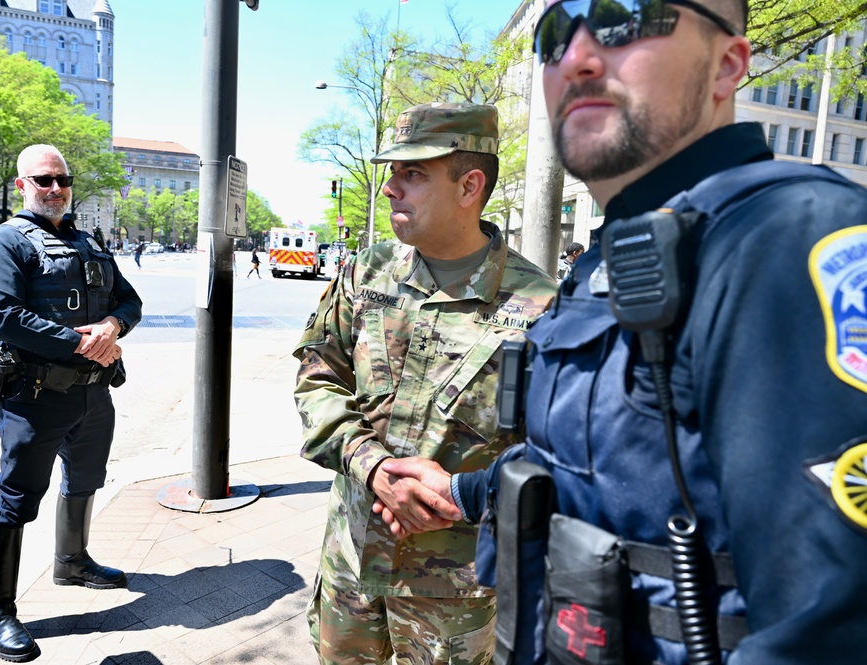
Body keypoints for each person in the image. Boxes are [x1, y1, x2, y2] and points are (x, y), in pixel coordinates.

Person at [377, 1, 867, 663]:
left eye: (623, 18)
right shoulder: (617, 252)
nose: (575, 56)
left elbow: (831, 627)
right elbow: (598, 468)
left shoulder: (786, 237)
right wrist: (459, 491)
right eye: (555, 33)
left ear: (727, 66)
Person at [293, 102, 558, 664]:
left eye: (412, 174)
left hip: (454, 589)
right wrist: (372, 464)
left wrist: (462, 495)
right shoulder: (368, 273)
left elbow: (556, 454)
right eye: (393, 173)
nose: (390, 189)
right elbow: (317, 375)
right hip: (352, 557)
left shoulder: (540, 306)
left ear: (469, 186)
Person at [0, 144, 142, 662]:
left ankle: (72, 561)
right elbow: (5, 317)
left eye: (62, 180)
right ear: (22, 185)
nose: (55, 188)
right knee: (17, 498)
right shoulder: (5, 243)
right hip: (35, 398)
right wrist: (80, 343)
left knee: (86, 479)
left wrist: (113, 326)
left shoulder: (89, 242)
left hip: (93, 393)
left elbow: (128, 301)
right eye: (43, 180)